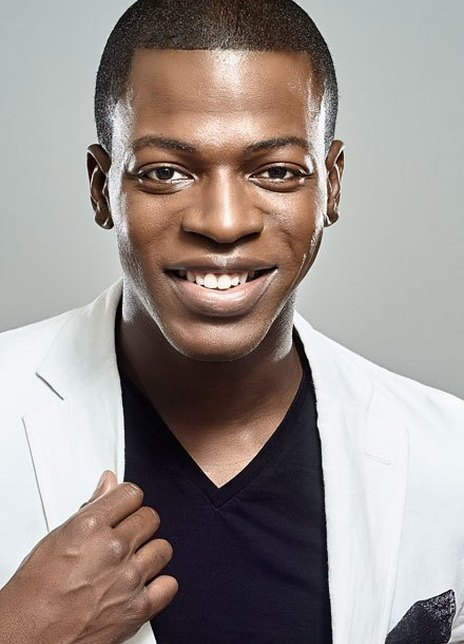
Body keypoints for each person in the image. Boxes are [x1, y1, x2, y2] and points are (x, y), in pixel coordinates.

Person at [0, 0, 463, 642]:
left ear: (331, 185)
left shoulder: (450, 457)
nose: (222, 223)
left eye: (276, 172)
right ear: (101, 186)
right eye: (166, 172)